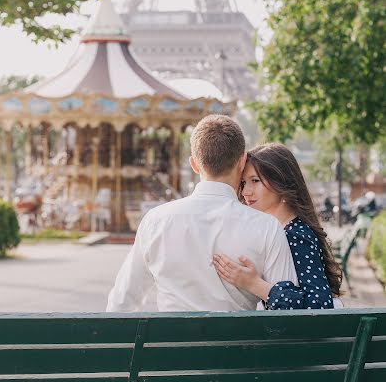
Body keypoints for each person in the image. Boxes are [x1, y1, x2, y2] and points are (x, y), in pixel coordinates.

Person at [107, 116, 297, 312]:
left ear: (194, 164)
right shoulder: (267, 227)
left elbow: (122, 303)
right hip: (239, 342)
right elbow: (287, 314)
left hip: (175, 341)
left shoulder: (156, 221)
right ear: (242, 162)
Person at [213, 143, 342, 310]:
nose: (246, 192)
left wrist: (254, 284)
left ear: (281, 182)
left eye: (255, 181)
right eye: (244, 183)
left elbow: (320, 306)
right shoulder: (279, 231)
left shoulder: (295, 235)